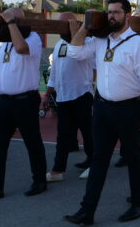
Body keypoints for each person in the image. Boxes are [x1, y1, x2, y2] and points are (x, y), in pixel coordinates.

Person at [64, 0, 140, 224]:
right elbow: (74, 52)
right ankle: (87, 210)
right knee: (99, 160)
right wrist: (86, 25)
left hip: (129, 109)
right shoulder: (100, 41)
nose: (111, 16)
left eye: (116, 12)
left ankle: (138, 204)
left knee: (133, 157)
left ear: (127, 15)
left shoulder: (138, 44)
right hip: (103, 109)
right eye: (109, 13)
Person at [0, 7, 48, 201]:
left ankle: (39, 181)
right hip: (4, 101)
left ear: (19, 21)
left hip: (25, 101)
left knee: (33, 143)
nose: (4, 23)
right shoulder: (3, 45)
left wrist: (12, 22)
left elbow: (22, 49)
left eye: (9, 19)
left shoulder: (33, 38)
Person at [43, 12, 94, 183]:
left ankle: (94, 165)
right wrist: (47, 93)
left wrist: (75, 32)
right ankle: (58, 170)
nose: (60, 29)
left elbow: (77, 53)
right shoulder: (58, 46)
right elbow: (55, 73)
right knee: (63, 135)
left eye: (64, 25)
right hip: (64, 97)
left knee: (88, 133)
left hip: (82, 95)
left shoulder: (87, 42)